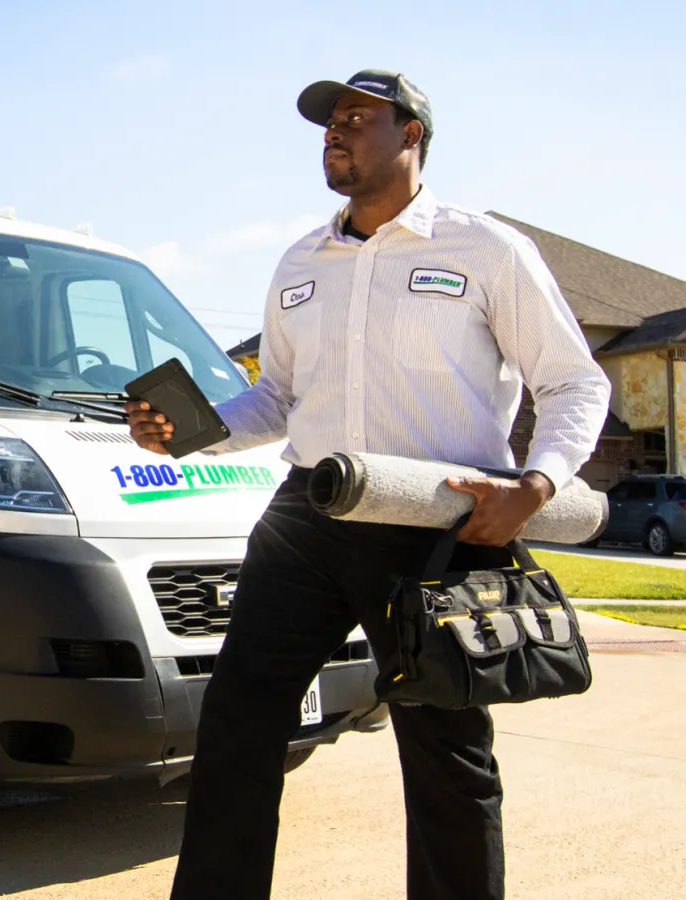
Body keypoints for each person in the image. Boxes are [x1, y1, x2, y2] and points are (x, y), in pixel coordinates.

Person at [128, 70, 611, 900]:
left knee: (445, 750)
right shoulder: (299, 262)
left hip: (438, 524)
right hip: (307, 517)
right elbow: (278, 398)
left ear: (411, 135)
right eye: (328, 124)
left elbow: (575, 382)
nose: (334, 133)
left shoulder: (485, 249)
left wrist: (534, 485)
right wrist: (193, 431)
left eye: (356, 118)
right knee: (240, 721)